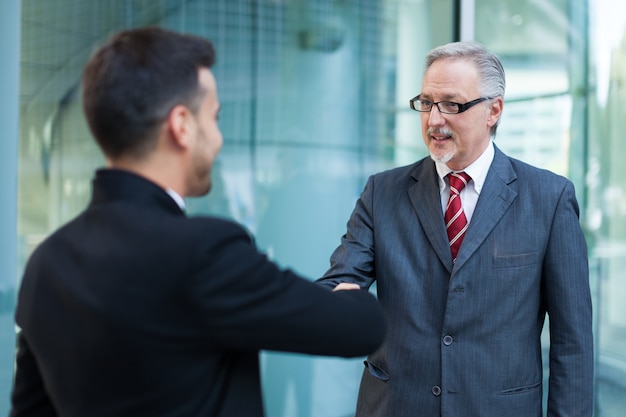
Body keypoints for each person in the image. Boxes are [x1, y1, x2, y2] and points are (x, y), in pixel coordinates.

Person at [9, 27, 386, 417]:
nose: (219, 138)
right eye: (214, 117)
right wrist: (348, 295)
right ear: (182, 126)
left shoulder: (47, 263)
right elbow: (360, 327)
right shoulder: (205, 252)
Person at [317, 40, 593, 417]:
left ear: (493, 110)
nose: (433, 120)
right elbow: (340, 279)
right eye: (426, 103)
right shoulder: (383, 192)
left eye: (451, 104)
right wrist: (334, 302)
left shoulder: (549, 198)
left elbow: (573, 342)